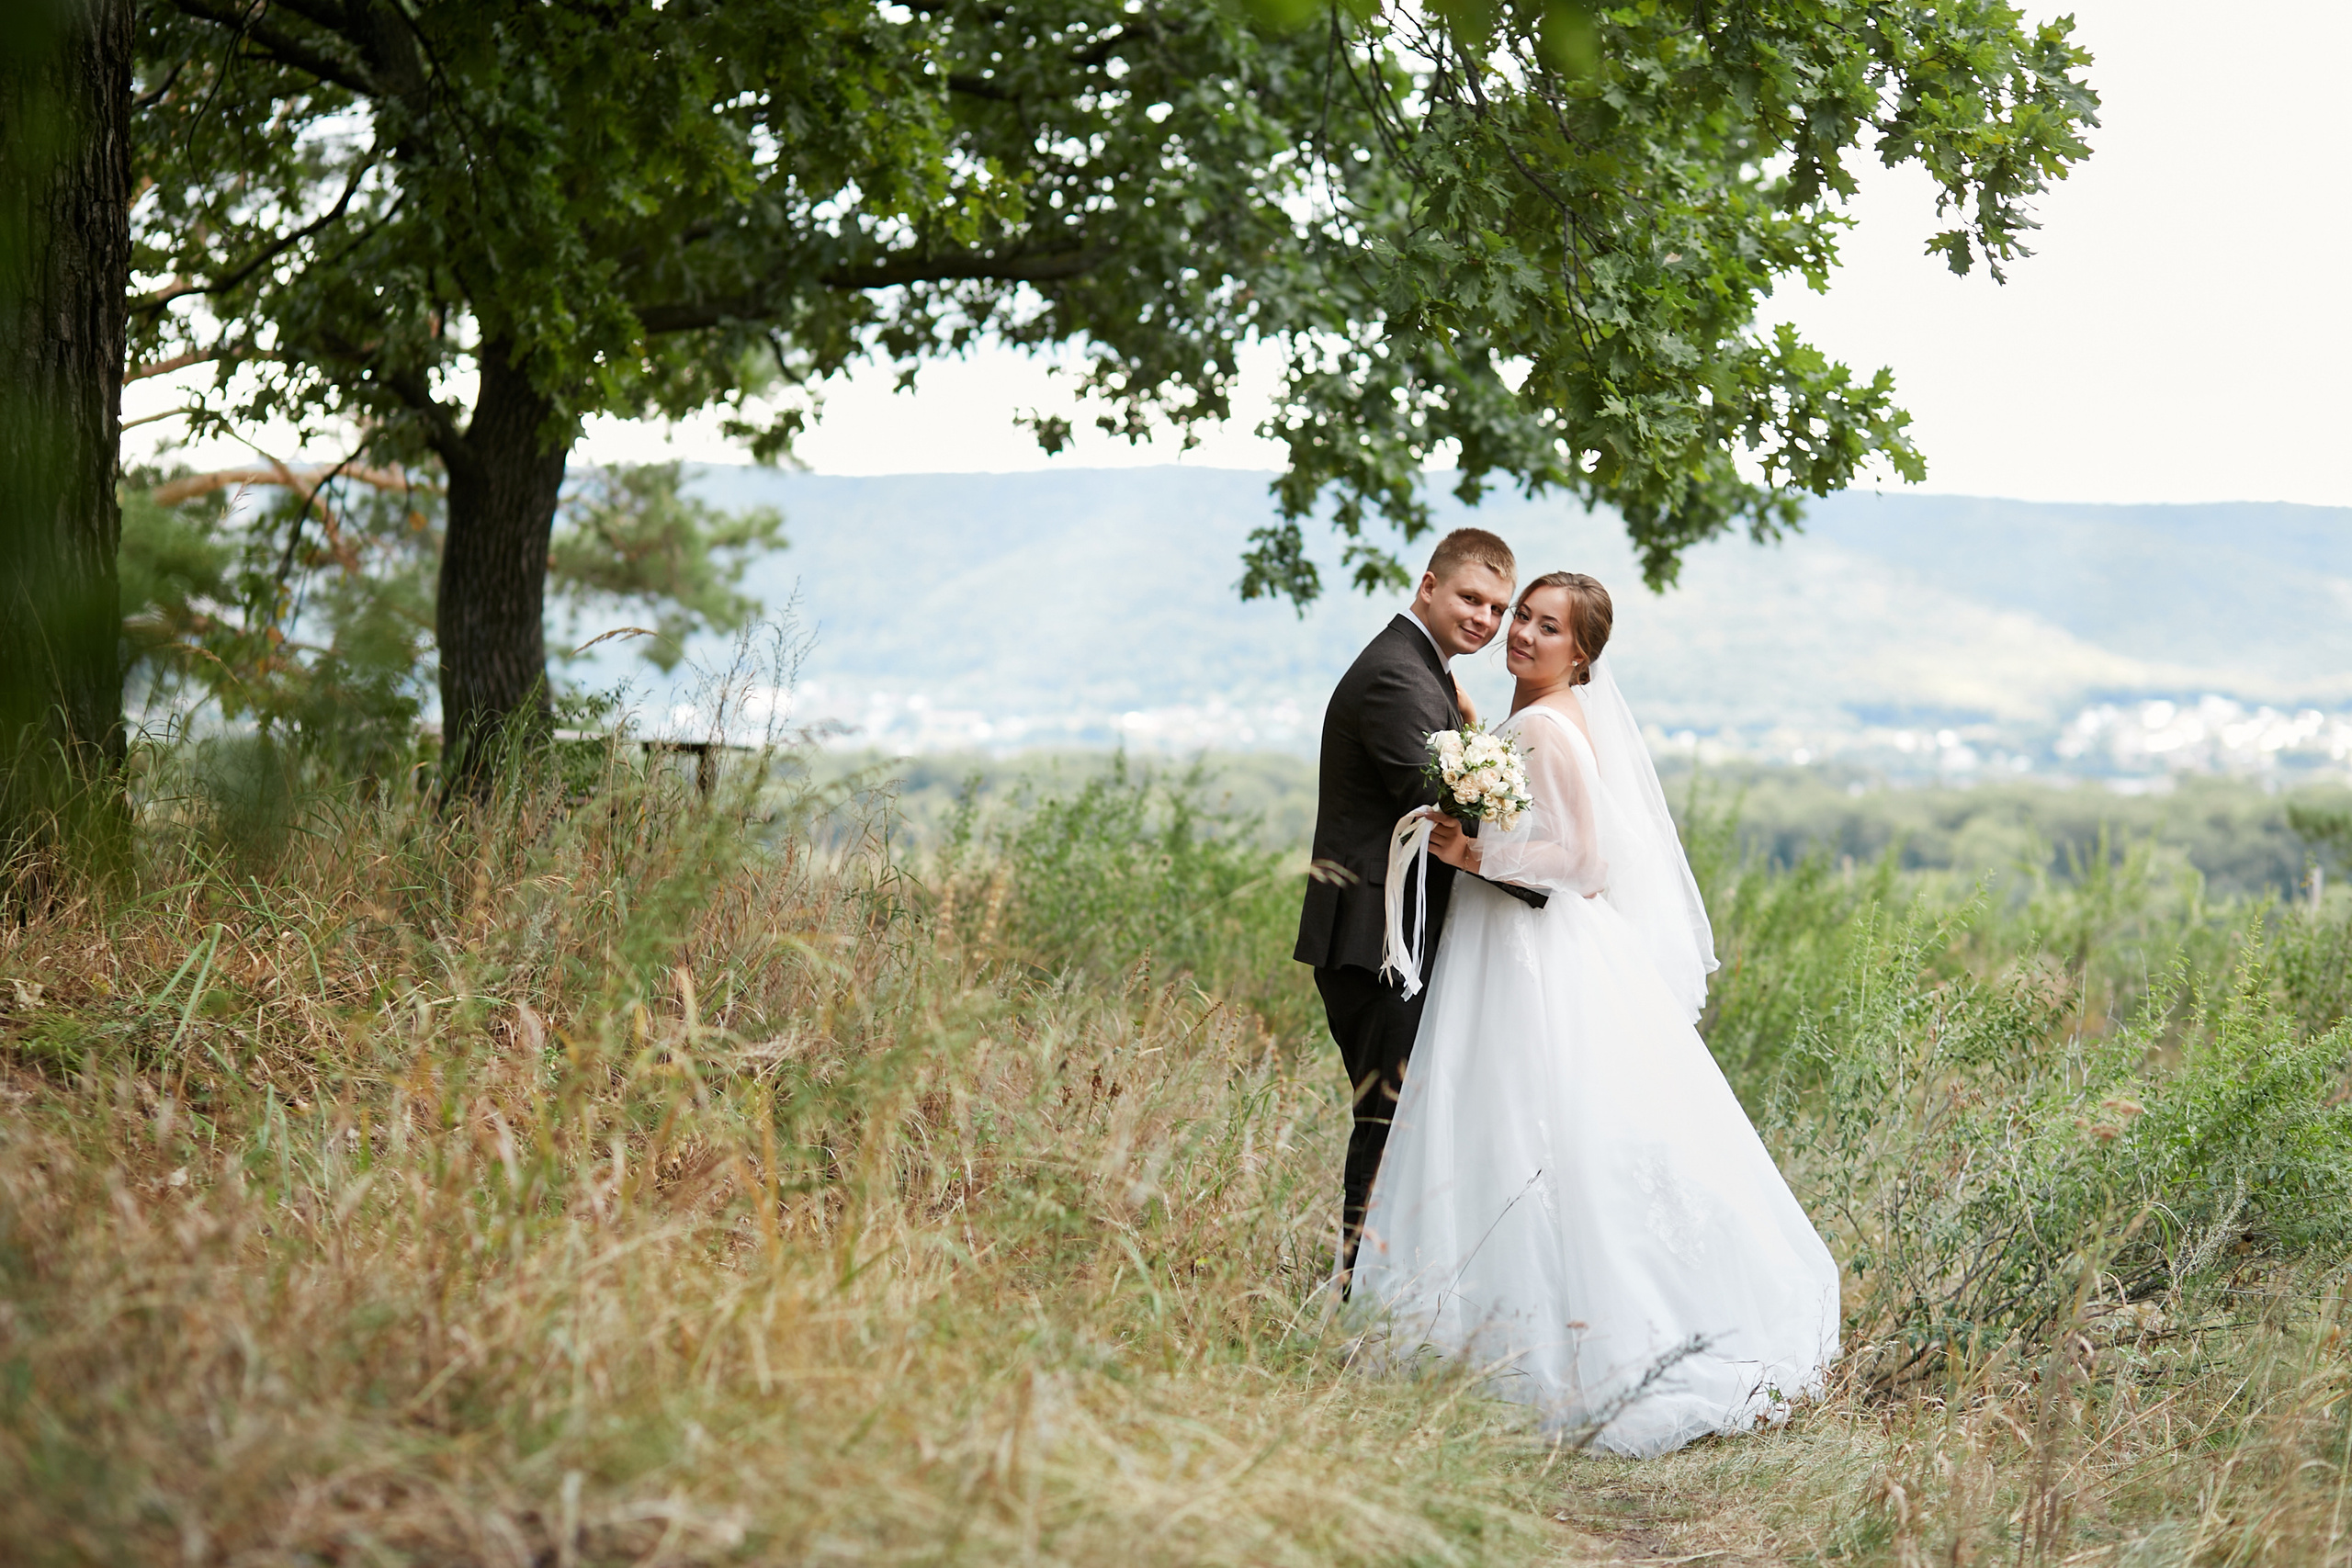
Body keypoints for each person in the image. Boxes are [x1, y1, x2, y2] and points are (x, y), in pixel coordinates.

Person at [1352, 571, 1839, 1458]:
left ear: (1581, 653)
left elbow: (1584, 860)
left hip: (1530, 950)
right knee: (1526, 1126)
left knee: (1520, 1119)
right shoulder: (1545, 718)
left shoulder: (1543, 725)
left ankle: (1545, 1342)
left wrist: (1473, 849)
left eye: (1547, 627)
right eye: (1521, 618)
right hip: (1517, 942)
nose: (1524, 635)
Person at [1295, 528, 1537, 1281]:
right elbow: (1437, 801)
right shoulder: (1398, 675)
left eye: (1498, 608)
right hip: (1375, 937)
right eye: (1472, 598)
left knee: (1405, 1116)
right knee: (1388, 1118)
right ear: (1428, 584)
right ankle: (1355, 1290)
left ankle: (1387, 1285)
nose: (1486, 620)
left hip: (1395, 928)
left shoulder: (1424, 670)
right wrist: (1541, 849)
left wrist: (1469, 726)